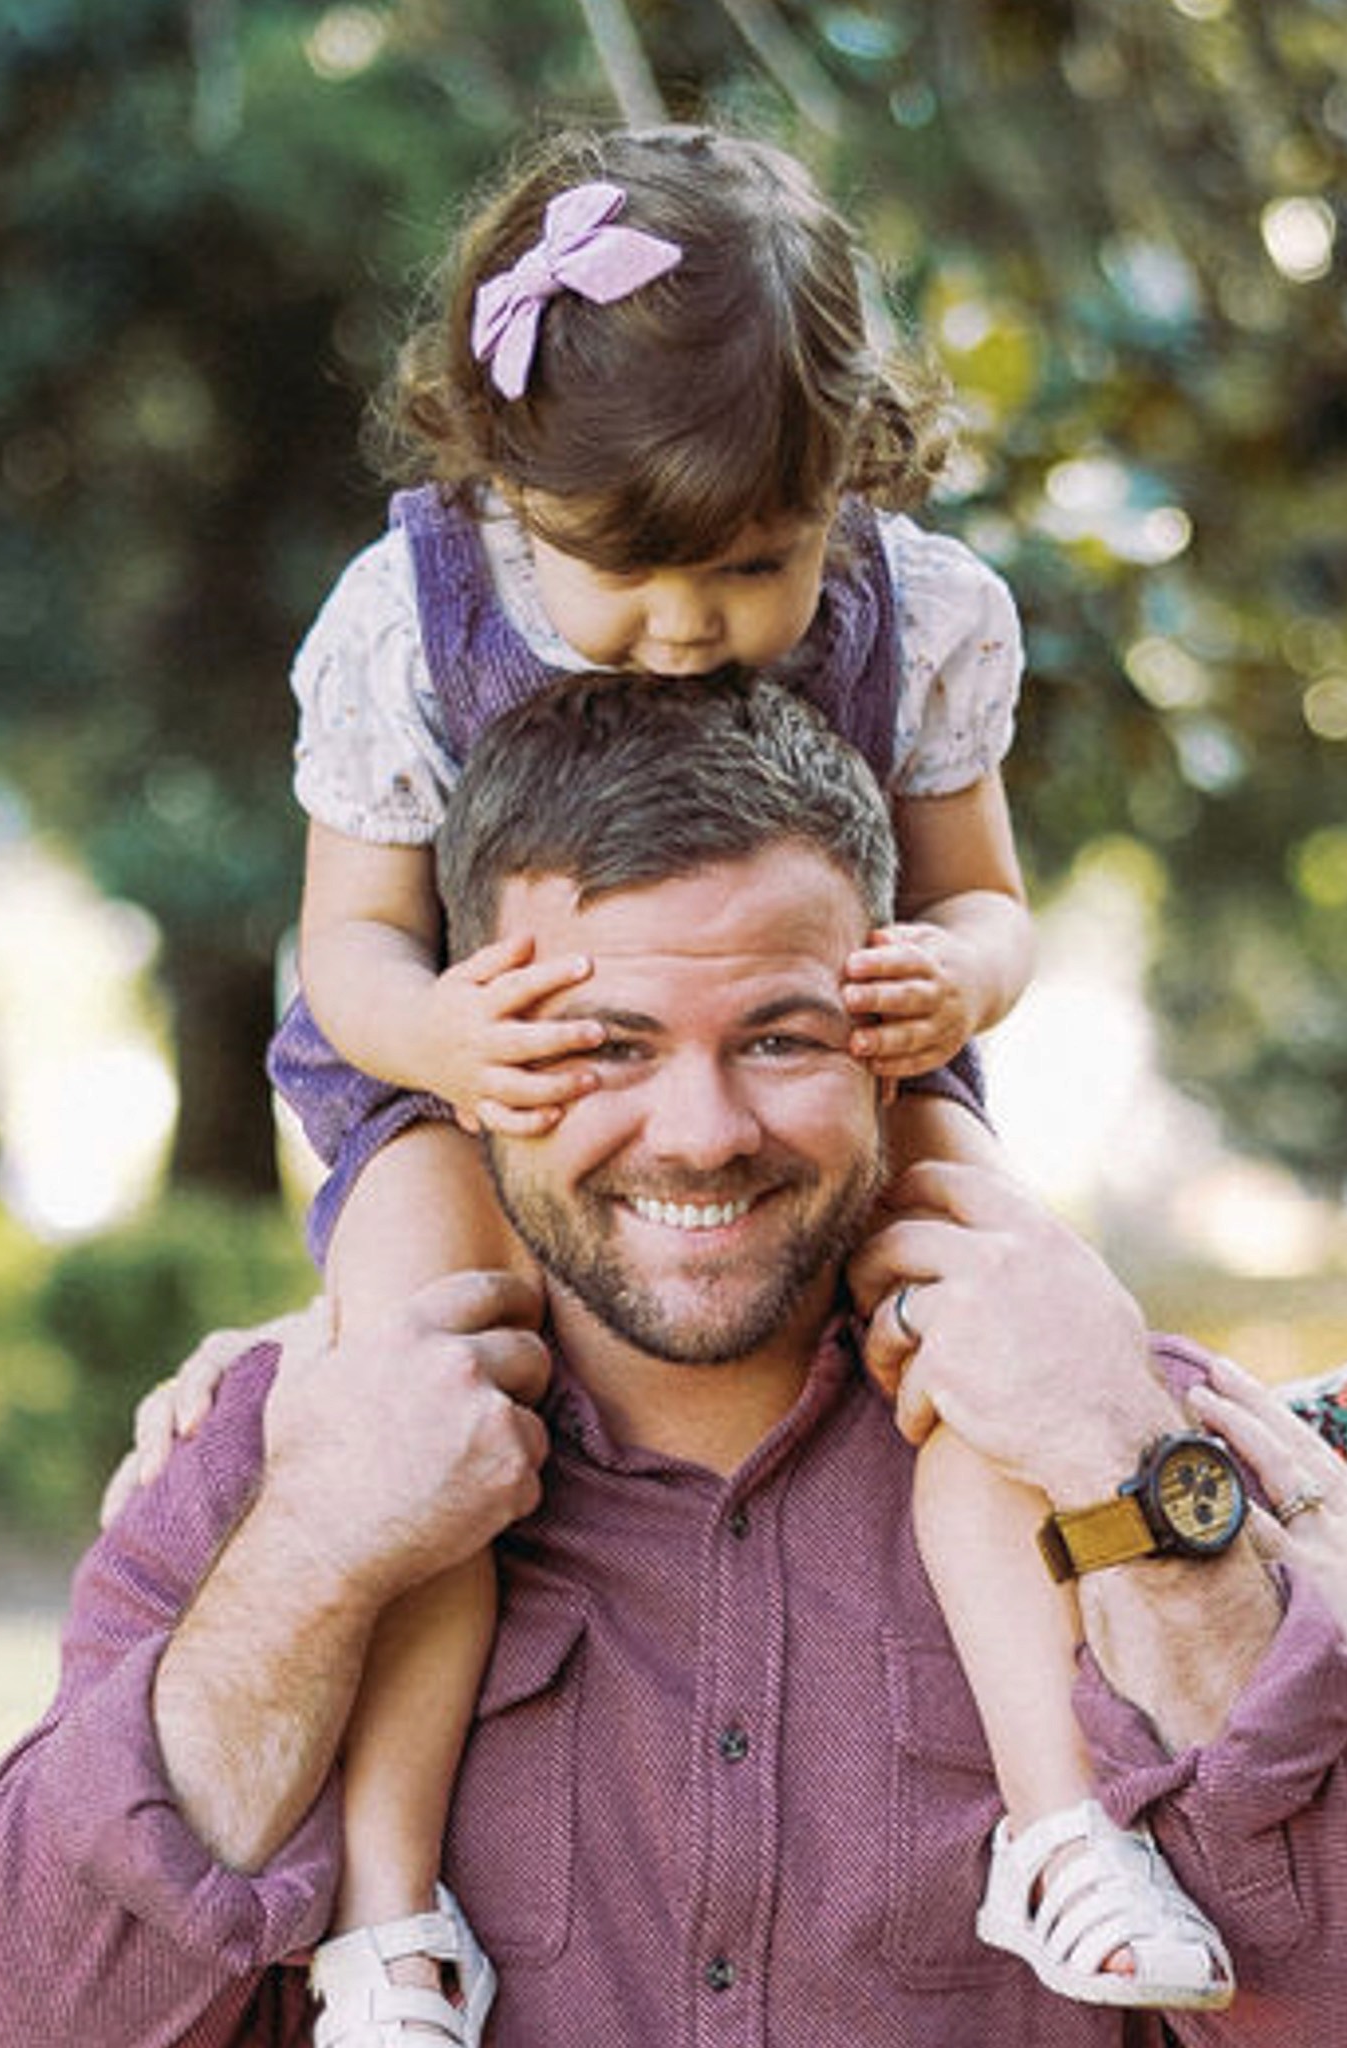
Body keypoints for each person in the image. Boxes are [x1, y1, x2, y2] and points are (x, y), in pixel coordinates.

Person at [142, 116, 1171, 2034]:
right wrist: (443, 1034)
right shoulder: (410, 617)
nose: (691, 625)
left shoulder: (918, 614)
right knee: (424, 1395)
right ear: (501, 473)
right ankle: (385, 1921)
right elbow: (352, 946)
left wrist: (951, 976)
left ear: (846, 481)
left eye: (758, 567)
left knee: (985, 1354)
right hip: (467, 1075)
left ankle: (1060, 1830)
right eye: (622, 572)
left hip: (843, 1043)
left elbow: (990, 904)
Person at [0, 675, 1347, 2048]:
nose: (699, 1130)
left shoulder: (1128, 1432)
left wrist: (1128, 1483)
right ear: (464, 1065)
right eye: (602, 1047)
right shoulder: (293, 1443)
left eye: (780, 1036)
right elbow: (30, 2022)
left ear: (896, 1045)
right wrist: (316, 1553)